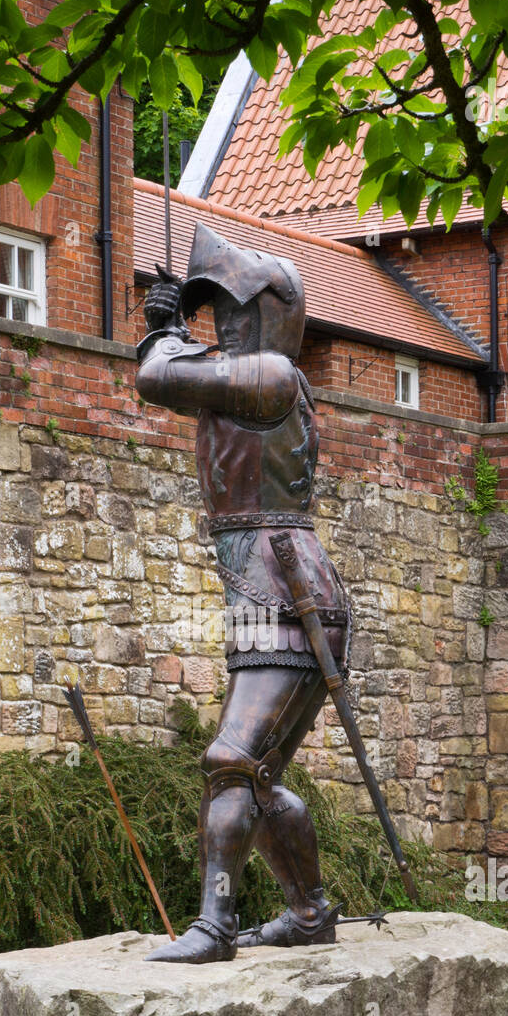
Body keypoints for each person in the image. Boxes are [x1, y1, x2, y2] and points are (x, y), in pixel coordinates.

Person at [135, 224, 351, 963]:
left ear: (268, 312)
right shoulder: (252, 373)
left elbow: (159, 377)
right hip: (263, 590)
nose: (222, 325)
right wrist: (164, 327)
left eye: (231, 310)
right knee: (256, 773)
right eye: (213, 313)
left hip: (285, 595)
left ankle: (215, 925)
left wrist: (164, 329)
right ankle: (310, 912)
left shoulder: (268, 375)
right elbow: (170, 373)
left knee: (231, 761)